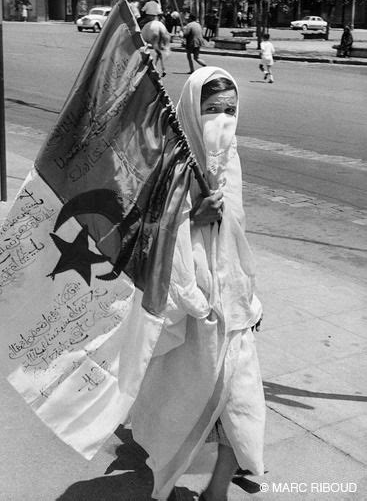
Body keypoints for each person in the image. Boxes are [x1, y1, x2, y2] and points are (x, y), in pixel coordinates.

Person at [130, 66, 265, 501]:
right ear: (192, 110)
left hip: (233, 305)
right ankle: (168, 487)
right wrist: (193, 219)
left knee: (240, 403)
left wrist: (249, 296)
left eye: (230, 110)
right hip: (187, 310)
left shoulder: (232, 158)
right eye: (211, 110)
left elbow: (239, 235)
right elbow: (146, 235)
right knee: (178, 410)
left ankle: (217, 492)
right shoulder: (169, 165)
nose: (222, 120)